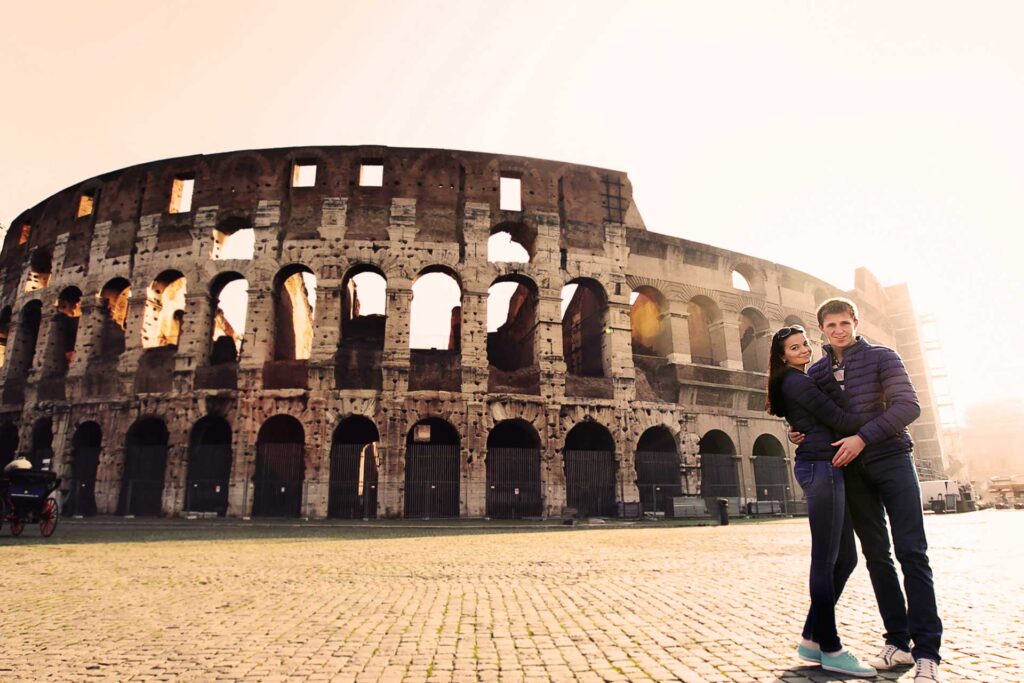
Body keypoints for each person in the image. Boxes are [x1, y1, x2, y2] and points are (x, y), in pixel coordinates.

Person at [791, 297, 942, 683]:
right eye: (831, 325)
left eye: (844, 323)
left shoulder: (883, 357)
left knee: (912, 552)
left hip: (892, 458)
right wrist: (801, 432)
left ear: (855, 322)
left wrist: (862, 437)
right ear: (821, 328)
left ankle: (927, 653)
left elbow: (908, 407)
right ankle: (896, 642)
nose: (839, 330)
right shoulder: (820, 372)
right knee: (877, 554)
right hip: (852, 470)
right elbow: (821, 418)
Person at [766, 324, 877, 678]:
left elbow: (820, 420)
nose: (802, 351)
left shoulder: (794, 380)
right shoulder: (796, 381)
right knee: (826, 559)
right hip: (821, 467)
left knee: (845, 557)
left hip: (824, 466)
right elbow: (839, 419)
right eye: (794, 348)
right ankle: (830, 648)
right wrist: (884, 417)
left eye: (804, 345)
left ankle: (812, 638)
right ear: (782, 355)